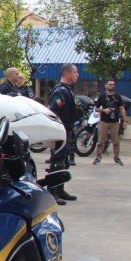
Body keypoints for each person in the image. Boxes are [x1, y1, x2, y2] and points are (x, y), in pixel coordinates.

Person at [49, 63, 80, 204]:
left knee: (64, 161)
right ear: (66, 73)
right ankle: (52, 192)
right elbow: (55, 111)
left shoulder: (68, 90)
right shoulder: (60, 91)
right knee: (57, 161)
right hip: (60, 130)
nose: (77, 74)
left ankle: (60, 190)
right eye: (75, 72)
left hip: (67, 129)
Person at [93, 79, 127, 166]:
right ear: (106, 86)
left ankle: (116, 157)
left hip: (115, 122)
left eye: (113, 84)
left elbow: (121, 109)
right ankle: (98, 157)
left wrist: (125, 120)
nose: (112, 86)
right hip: (104, 121)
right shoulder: (102, 96)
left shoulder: (118, 97)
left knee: (116, 141)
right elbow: (96, 109)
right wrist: (104, 110)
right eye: (110, 84)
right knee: (101, 141)